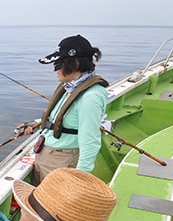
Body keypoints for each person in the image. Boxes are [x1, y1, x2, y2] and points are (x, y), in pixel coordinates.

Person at [18, 35, 108, 185]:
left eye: (59, 64)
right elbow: (61, 118)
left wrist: (79, 177)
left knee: (51, 206)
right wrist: (34, 124)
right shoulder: (69, 87)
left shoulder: (90, 97)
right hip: (47, 155)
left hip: (62, 161)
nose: (55, 69)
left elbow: (90, 140)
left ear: (76, 63)